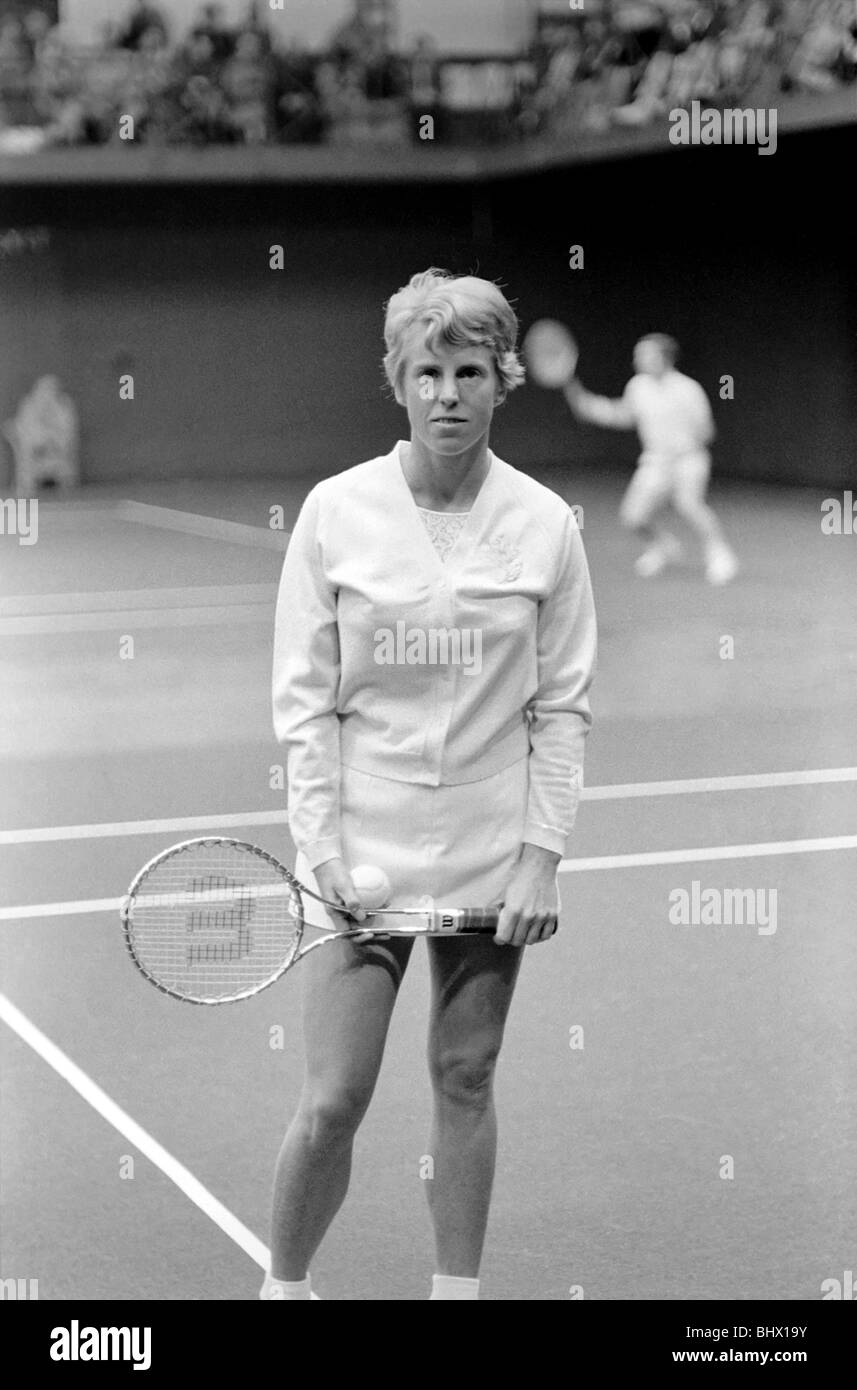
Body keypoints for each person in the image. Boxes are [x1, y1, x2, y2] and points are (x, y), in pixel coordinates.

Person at [267, 269, 597, 1301]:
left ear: (502, 381)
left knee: (464, 1077)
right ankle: (284, 1286)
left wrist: (539, 861)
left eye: (469, 371)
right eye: (426, 371)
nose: (447, 393)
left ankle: (455, 1294)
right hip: (357, 843)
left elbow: (564, 707)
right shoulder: (334, 512)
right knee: (332, 1099)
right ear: (396, 382)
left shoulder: (546, 525)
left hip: (486, 846)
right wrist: (322, 857)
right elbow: (302, 705)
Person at [563, 333, 739, 584]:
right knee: (633, 518)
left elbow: (707, 430)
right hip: (655, 463)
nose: (637, 359)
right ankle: (663, 547)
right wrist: (589, 406)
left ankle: (721, 556)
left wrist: (681, 451)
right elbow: (624, 415)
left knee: (689, 504)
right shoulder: (637, 386)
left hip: (688, 460)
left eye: (643, 354)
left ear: (663, 358)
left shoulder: (688, 389)